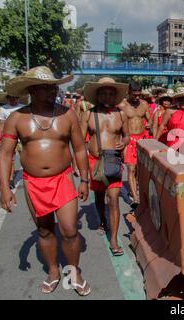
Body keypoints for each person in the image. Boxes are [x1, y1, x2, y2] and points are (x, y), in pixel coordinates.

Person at [0, 66, 91, 296]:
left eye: (53, 86)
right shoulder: (16, 118)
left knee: (69, 231)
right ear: (32, 90)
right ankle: (53, 271)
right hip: (33, 183)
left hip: (63, 179)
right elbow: (6, 155)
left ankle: (74, 273)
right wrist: (4, 188)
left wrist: (85, 179)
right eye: (46, 87)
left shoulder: (67, 114)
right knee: (45, 231)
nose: (52, 91)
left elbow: (79, 149)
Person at [81, 77, 129, 256]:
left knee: (114, 198)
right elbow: (79, 141)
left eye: (110, 93)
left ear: (114, 96)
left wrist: (123, 142)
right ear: (97, 95)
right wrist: (79, 166)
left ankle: (114, 239)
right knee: (99, 198)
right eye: (103, 93)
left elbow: (127, 136)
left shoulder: (121, 114)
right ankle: (102, 220)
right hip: (94, 161)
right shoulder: (88, 114)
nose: (107, 96)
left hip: (113, 161)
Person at [118, 82, 151, 209]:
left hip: (142, 140)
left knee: (139, 168)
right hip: (129, 139)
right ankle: (135, 197)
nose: (137, 98)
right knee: (131, 168)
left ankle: (137, 189)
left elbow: (149, 119)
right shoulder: (122, 105)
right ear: (129, 92)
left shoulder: (144, 104)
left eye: (139, 95)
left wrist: (149, 123)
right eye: (134, 95)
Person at [156, 86, 184, 157]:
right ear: (176, 100)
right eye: (182, 100)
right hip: (173, 141)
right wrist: (155, 141)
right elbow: (162, 126)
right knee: (172, 164)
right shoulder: (169, 111)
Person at [0, 94, 25, 189]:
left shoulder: (23, 107)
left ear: (18, 98)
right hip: (9, 138)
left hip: (22, 138)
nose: (13, 100)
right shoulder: (3, 109)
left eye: (15, 98)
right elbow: (1, 124)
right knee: (10, 159)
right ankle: (11, 179)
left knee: (25, 157)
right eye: (11, 98)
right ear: (7, 99)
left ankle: (29, 175)